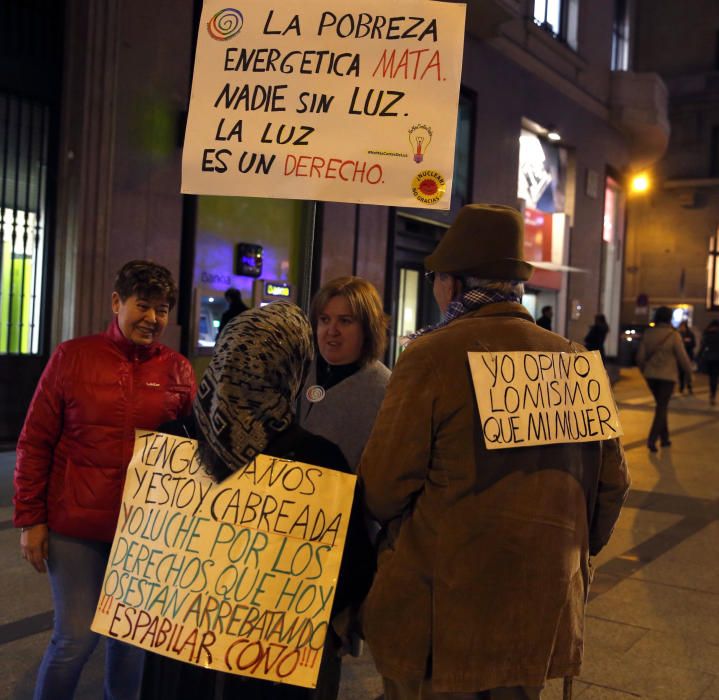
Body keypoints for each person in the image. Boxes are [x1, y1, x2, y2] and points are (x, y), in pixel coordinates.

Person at [358, 204, 630, 699]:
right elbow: (612, 483)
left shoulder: (431, 355)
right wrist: (561, 552)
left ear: (452, 284)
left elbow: (382, 486)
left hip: (440, 618)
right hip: (536, 615)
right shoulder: (572, 359)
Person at [141, 301, 374, 700]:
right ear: (293, 370)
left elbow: (141, 549)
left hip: (176, 660)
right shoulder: (317, 460)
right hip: (267, 669)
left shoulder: (170, 440)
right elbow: (351, 572)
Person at [13, 260, 197, 700]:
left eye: (163, 309)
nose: (153, 319)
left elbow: (192, 450)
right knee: (75, 638)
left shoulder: (178, 371)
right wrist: (31, 519)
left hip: (144, 534)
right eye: (143, 306)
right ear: (117, 302)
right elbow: (34, 441)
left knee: (130, 643)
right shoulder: (71, 357)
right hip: (74, 526)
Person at [299, 276, 391, 472]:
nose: (332, 330)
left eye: (345, 321)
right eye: (324, 320)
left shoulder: (386, 389)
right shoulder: (296, 370)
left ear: (367, 329)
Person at [636, 306, 692, 451]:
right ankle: (652, 440)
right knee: (662, 406)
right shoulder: (674, 335)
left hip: (651, 377)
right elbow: (683, 358)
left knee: (662, 405)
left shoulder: (648, 333)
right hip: (667, 377)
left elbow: (640, 357)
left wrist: (645, 371)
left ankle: (665, 438)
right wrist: (689, 373)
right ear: (669, 318)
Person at [697, 319, 719, 406]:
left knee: (712, 377)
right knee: (715, 377)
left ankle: (712, 394)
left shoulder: (707, 334)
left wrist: (698, 356)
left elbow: (703, 346)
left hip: (709, 358)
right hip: (718, 359)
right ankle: (713, 394)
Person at [677, 320, 696, 394]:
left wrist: (687, 343)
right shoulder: (678, 334)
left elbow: (694, 344)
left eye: (682, 326)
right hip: (680, 356)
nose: (681, 328)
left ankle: (689, 387)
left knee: (688, 372)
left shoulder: (690, 334)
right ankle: (681, 387)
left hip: (688, 355)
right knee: (681, 373)